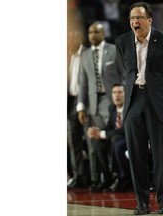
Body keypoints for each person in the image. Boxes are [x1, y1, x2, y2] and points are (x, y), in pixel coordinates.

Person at [115, 2, 163, 214]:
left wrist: (159, 86)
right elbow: (124, 69)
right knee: (136, 154)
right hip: (134, 100)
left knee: (161, 154)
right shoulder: (122, 41)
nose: (135, 21)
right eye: (132, 18)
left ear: (149, 20)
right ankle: (142, 203)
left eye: (140, 18)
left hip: (157, 100)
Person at [76, 21, 122, 190]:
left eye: (96, 32)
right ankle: (101, 177)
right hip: (92, 103)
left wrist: (121, 98)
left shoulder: (114, 50)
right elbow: (83, 83)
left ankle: (117, 176)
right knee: (94, 143)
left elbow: (123, 75)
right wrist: (81, 106)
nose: (92, 35)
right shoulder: (85, 55)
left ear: (103, 34)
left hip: (111, 101)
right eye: (90, 32)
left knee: (111, 140)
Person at [87, 83, 132, 192]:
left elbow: (124, 131)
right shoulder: (112, 108)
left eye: (120, 92)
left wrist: (103, 134)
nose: (117, 95)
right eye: (114, 93)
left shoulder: (129, 108)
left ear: (125, 95)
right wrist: (98, 132)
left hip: (128, 140)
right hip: (115, 140)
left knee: (115, 140)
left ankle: (121, 176)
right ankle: (107, 176)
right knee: (98, 143)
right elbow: (109, 127)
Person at [67, 27, 88, 188]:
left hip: (87, 101)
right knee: (73, 140)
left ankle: (98, 175)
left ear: (78, 37)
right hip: (70, 102)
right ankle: (78, 175)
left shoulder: (87, 54)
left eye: (70, 38)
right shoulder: (66, 56)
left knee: (91, 140)